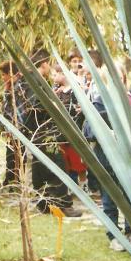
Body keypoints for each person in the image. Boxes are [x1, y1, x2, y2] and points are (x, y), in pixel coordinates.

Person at [82, 51, 131, 251]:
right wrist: (109, 129)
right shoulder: (98, 100)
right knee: (109, 196)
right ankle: (114, 236)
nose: (117, 79)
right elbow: (89, 129)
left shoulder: (130, 99)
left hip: (129, 155)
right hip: (107, 157)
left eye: (120, 76)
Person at [21, 47, 82, 217]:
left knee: (40, 168)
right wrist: (53, 105)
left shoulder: (28, 80)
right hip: (43, 131)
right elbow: (35, 105)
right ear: (45, 64)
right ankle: (63, 204)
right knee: (57, 167)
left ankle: (44, 204)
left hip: (35, 132)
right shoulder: (36, 80)